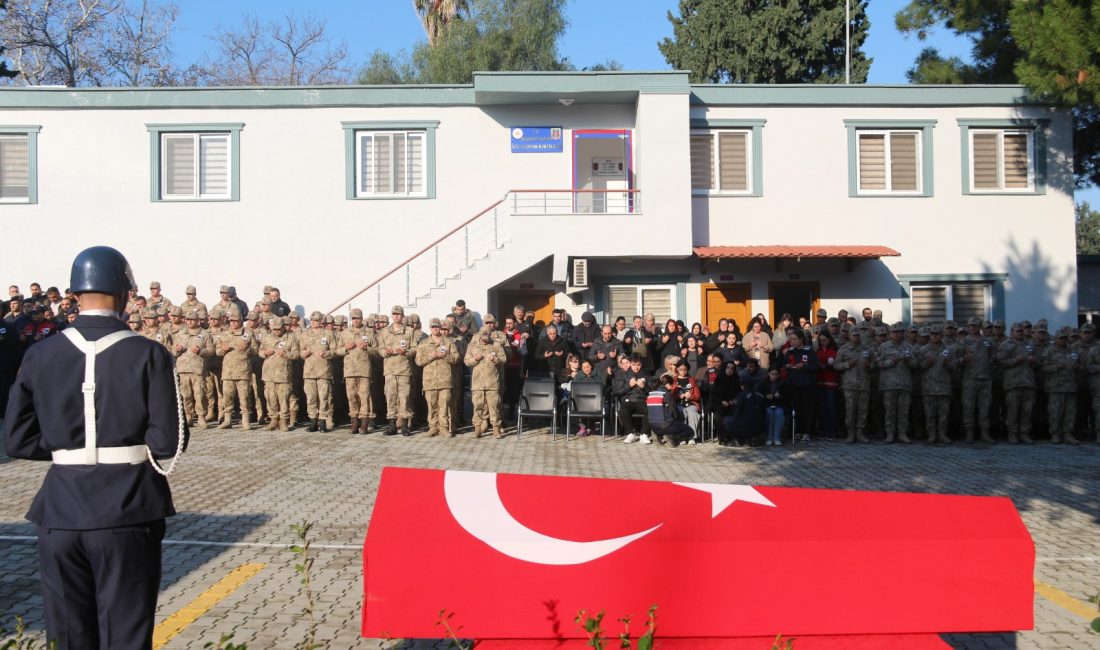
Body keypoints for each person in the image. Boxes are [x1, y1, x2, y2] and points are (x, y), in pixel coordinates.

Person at [5, 245, 187, 650]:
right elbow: (167, 442)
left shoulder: (40, 353)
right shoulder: (149, 353)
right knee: (124, 633)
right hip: (127, 509)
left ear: (73, 294)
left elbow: (16, 440)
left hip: (60, 511)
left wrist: (66, 447)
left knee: (68, 636)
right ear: (124, 294)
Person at [415, 318, 460, 437]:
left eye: (437, 327)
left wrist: (445, 356)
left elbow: (456, 358)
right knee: (432, 405)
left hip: (445, 380)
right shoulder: (423, 343)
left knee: (444, 405)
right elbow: (418, 361)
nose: (435, 329)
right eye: (433, 327)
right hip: (430, 381)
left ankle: (444, 428)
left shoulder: (448, 342)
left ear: (440, 327)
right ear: (430, 328)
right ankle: (433, 427)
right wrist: (430, 356)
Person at [466, 324, 507, 438]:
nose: (484, 341)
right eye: (482, 338)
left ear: (490, 336)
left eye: (486, 338)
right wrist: (475, 359)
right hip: (478, 382)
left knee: (494, 406)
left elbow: (504, 359)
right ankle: (477, 428)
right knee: (478, 406)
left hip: (492, 382)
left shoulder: (496, 345)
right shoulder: (472, 346)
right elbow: (466, 361)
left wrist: (495, 359)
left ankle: (496, 429)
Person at [645, 373, 695, 448]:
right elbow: (674, 411)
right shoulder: (667, 393)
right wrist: (676, 420)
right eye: (671, 385)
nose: (672, 387)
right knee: (689, 431)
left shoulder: (651, 393)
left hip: (652, 425)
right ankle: (672, 437)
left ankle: (659, 434)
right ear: (668, 384)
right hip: (665, 425)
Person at [761, 367, 787, 446]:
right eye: (772, 374)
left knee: (779, 414)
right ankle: (769, 437)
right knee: (769, 414)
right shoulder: (763, 383)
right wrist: (766, 397)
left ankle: (776, 437)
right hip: (767, 405)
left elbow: (787, 398)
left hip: (779, 405)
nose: (774, 376)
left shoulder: (783, 383)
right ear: (768, 374)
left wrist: (780, 396)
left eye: (776, 374)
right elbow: (759, 396)